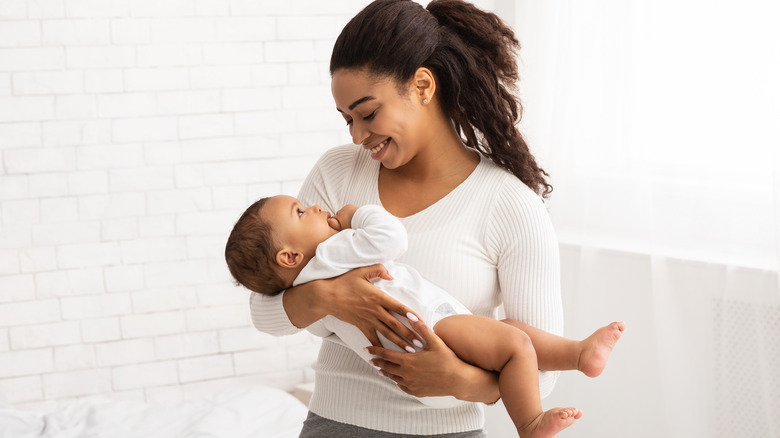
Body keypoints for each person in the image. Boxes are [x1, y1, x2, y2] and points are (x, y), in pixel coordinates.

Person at [250, 0, 598, 436]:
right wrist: (330, 298)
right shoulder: (337, 174)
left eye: (368, 113)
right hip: (334, 425)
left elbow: (540, 370)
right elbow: (264, 307)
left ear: (422, 86)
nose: (358, 136)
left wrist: (458, 380)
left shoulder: (510, 205)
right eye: (347, 121)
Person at [226, 195, 626, 437]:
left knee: (511, 334)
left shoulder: (308, 282)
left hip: (425, 360)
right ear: (290, 256)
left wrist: (458, 377)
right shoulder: (332, 251)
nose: (314, 206)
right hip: (432, 329)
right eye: (300, 212)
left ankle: (576, 354)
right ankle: (530, 423)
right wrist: (356, 216)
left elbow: (284, 312)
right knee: (515, 343)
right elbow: (392, 237)